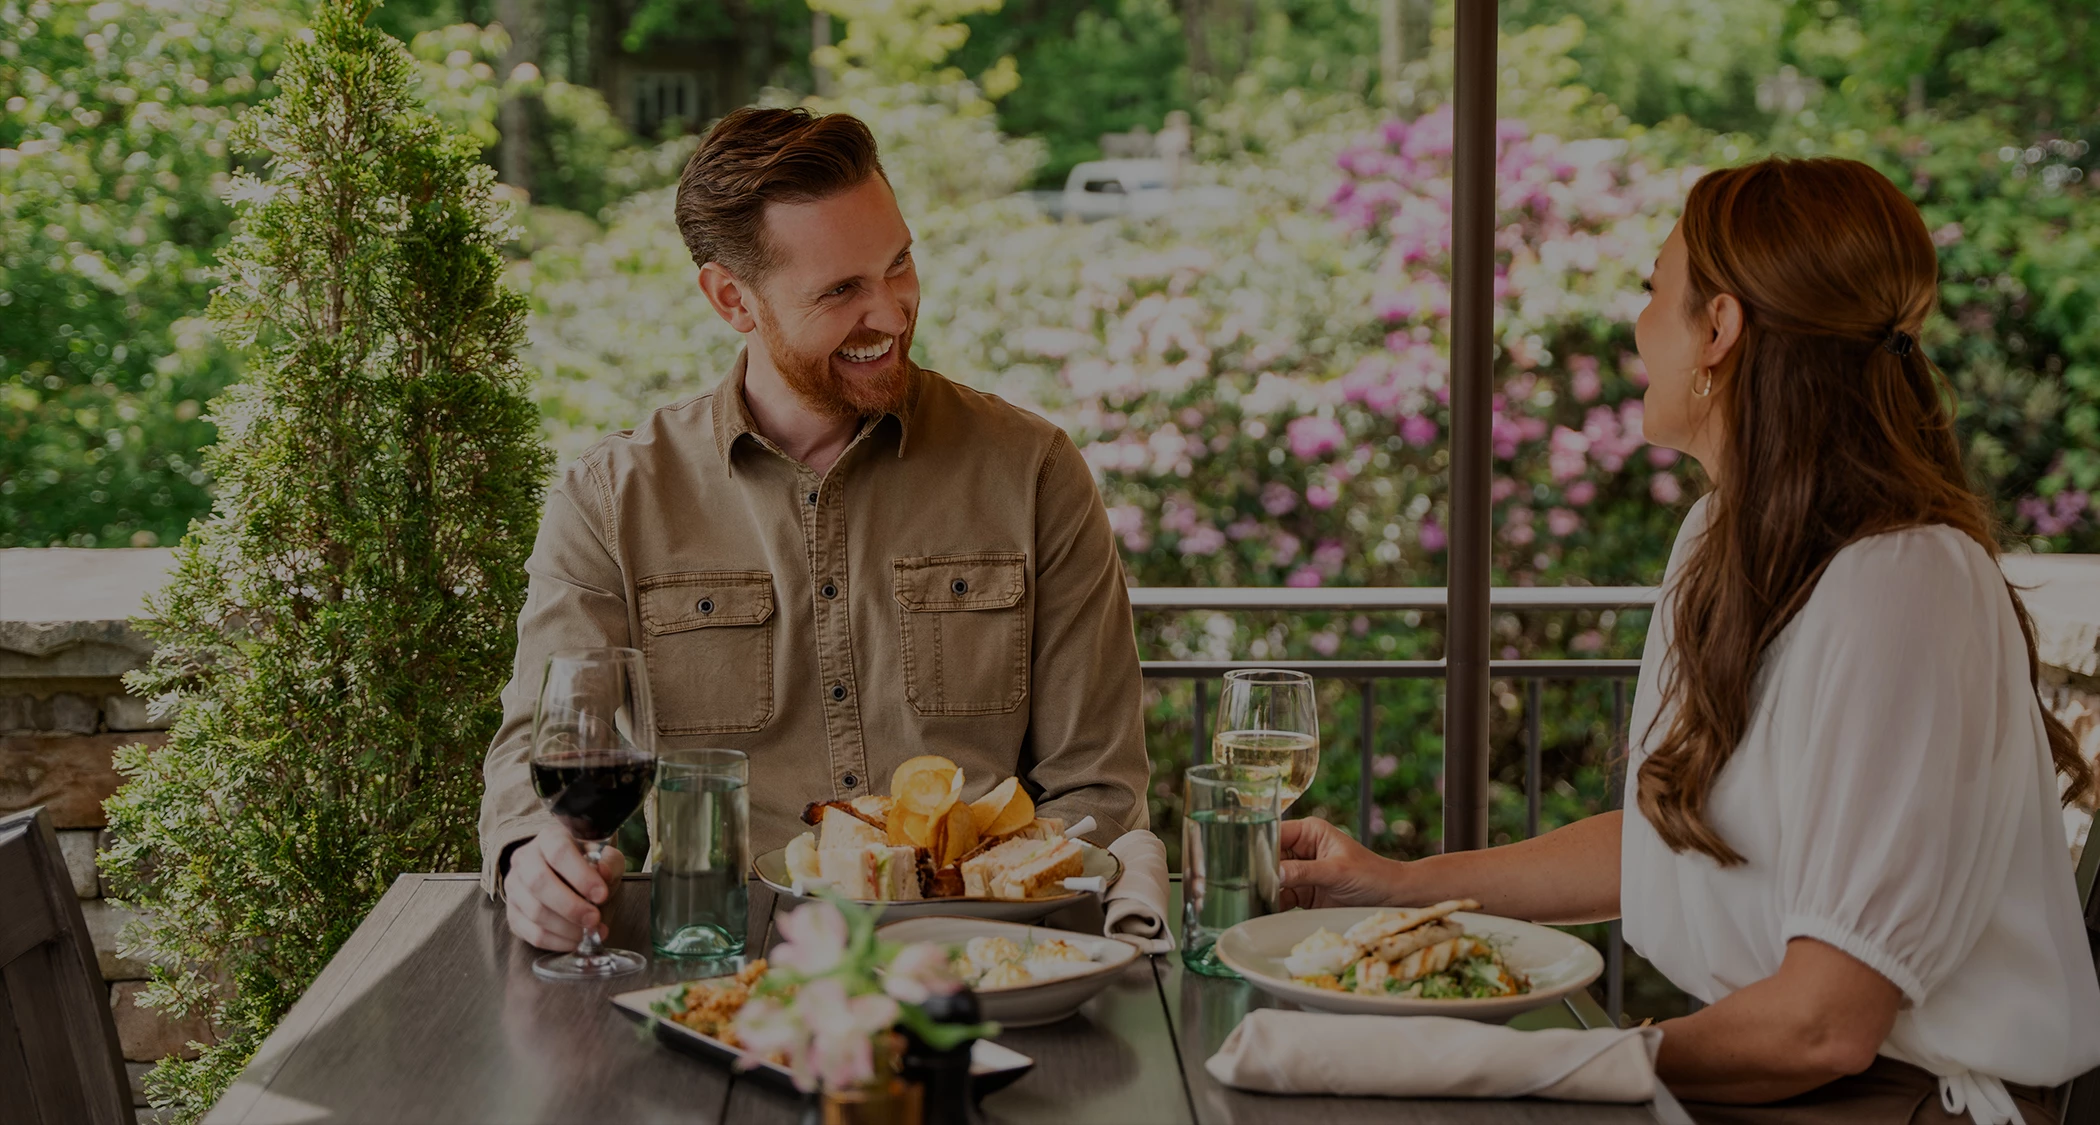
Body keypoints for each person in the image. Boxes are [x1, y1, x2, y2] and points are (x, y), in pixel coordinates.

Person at [1280, 156, 2100, 1124]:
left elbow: (1824, 1024)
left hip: (1905, 1105)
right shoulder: (1727, 541)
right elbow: (1677, 841)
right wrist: (1395, 887)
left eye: (1651, 290)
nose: (1635, 327)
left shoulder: (1905, 587)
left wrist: (1520, 1064)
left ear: (1719, 328)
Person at [481, 107, 1150, 952]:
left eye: (898, 263)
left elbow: (1099, 785)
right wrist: (529, 859)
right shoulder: (611, 500)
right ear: (733, 299)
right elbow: (530, 759)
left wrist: (1014, 927)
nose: (893, 311)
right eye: (841, 290)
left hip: (986, 956)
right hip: (723, 959)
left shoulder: (1036, 472)